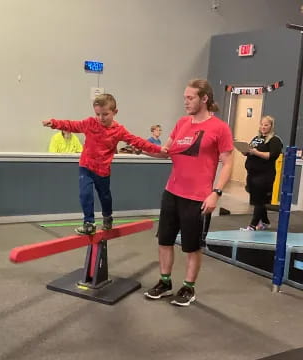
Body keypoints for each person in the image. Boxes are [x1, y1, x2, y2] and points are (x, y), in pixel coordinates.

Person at [144, 79, 234, 307]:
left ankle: (188, 287)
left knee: (192, 246)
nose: (185, 101)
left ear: (204, 98)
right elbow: (166, 152)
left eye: (190, 97)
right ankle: (165, 282)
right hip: (172, 192)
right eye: (184, 97)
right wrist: (143, 148)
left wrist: (216, 193)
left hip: (198, 197)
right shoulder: (182, 123)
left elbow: (228, 162)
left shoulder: (219, 128)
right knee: (164, 240)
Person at [42, 93, 165, 235]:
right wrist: (54, 123)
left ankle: (107, 217)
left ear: (115, 112)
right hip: (86, 167)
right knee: (85, 194)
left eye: (105, 114)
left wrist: (159, 149)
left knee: (105, 196)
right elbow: (72, 125)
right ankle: (89, 223)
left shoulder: (119, 131)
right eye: (98, 114)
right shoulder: (90, 123)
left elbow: (137, 141)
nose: (101, 118)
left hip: (103, 171)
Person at [239, 115, 283, 231]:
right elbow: (249, 151)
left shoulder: (275, 140)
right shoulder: (256, 138)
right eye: (262, 124)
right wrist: (245, 151)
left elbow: (271, 155)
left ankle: (252, 226)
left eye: (266, 125)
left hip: (264, 175)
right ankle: (265, 221)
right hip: (252, 173)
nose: (263, 127)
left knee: (259, 200)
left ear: (271, 126)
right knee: (257, 200)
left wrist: (256, 152)